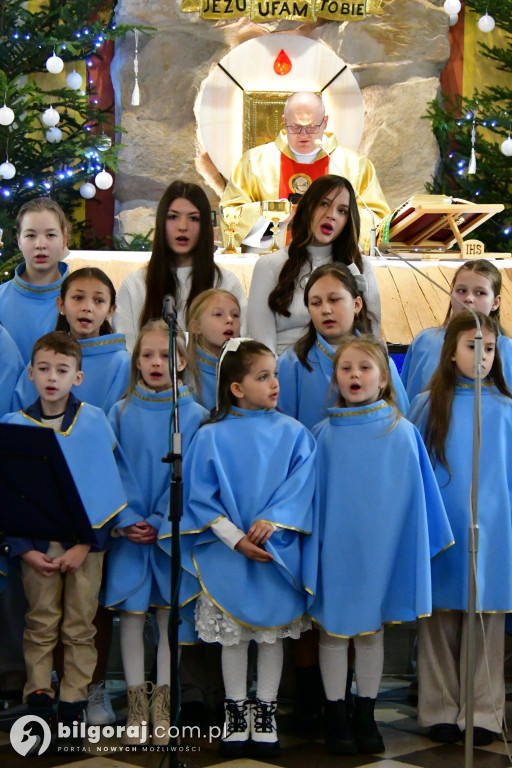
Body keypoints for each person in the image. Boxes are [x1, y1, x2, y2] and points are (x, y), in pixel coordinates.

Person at [309, 335, 452, 756]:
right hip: (335, 552)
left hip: (381, 552)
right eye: (346, 368)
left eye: (365, 368)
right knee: (333, 635)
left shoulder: (402, 432)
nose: (355, 375)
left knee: (371, 635)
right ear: (335, 378)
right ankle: (335, 713)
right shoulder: (324, 434)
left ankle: (365, 715)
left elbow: (415, 501)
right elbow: (312, 500)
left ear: (385, 379)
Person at [180, 338, 316, 757]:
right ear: (236, 387)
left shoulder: (294, 433)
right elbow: (201, 498)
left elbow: (302, 487)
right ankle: (236, 712)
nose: (275, 383)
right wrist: (235, 538)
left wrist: (272, 522)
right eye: (263, 377)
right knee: (234, 639)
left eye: (274, 374)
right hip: (229, 554)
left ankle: (266, 711)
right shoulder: (210, 436)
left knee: (272, 637)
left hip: (276, 551)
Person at [2, 332, 128, 740]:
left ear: (77, 376)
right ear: (31, 374)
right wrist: (23, 550)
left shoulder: (93, 421)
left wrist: (84, 545)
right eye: (43, 369)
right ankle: (39, 697)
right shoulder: (15, 427)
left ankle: (73, 702)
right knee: (39, 623)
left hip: (84, 546)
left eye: (62, 370)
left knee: (80, 626)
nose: (51, 378)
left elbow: (107, 488)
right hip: (37, 547)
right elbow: (10, 497)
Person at [407, 310, 512, 747]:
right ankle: (439, 709)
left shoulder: (507, 409)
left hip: (494, 528)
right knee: (440, 621)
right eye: (473, 347)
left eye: (489, 348)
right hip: (442, 526)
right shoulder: (428, 404)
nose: (483, 356)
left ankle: (484, 712)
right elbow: (412, 471)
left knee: (485, 619)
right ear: (451, 353)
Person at [105, 320, 207, 746]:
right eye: (147, 355)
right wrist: (127, 517)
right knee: (131, 618)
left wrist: (164, 518)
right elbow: (111, 467)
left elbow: (194, 475)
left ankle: (164, 706)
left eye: (165, 355)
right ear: (136, 362)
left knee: (167, 617)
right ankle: (137, 705)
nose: (155, 362)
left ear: (182, 361)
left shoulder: (196, 415)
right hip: (131, 532)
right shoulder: (121, 410)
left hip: (169, 532)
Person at [220, 91, 390, 249]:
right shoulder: (254, 161)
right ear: (284, 121)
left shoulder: (355, 165)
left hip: (334, 265)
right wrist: (272, 212)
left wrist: (333, 214)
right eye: (295, 127)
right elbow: (230, 214)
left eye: (311, 127)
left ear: (325, 122)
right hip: (273, 261)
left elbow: (379, 222)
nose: (303, 135)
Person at [248, 174, 381, 355]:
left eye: (342, 211)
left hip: (344, 375)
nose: (331, 215)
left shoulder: (360, 266)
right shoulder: (268, 266)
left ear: (348, 220)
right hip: (283, 374)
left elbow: (371, 339)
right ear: (307, 208)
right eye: (324, 204)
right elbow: (261, 347)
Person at [114, 180, 247, 351]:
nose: (182, 227)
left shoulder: (226, 283)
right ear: (162, 222)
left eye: (193, 218)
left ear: (205, 225)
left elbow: (239, 348)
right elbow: (128, 351)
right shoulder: (135, 284)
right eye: (173, 217)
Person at [278, 263, 408, 429]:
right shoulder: (292, 363)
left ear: (356, 305)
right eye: (316, 303)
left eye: (334, 300)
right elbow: (281, 430)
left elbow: (402, 421)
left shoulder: (380, 361)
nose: (325, 310)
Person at [13, 267, 130, 414]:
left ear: (110, 311)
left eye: (99, 300)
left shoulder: (122, 363)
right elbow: (21, 413)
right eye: (78, 298)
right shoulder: (43, 356)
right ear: (61, 304)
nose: (87, 307)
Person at [401, 259, 512, 400]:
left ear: (495, 302)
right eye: (461, 290)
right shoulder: (425, 341)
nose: (469, 298)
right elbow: (409, 402)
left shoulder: (507, 349)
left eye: (480, 293)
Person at [0, 198, 70, 364]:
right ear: (19, 241)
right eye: (31, 235)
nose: (40, 244)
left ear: (64, 240)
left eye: (51, 235)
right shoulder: (1, 298)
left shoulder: (81, 300)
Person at [186, 288, 241, 410]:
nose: (229, 320)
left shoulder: (247, 368)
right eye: (218, 314)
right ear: (196, 327)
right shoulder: (183, 372)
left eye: (235, 315)